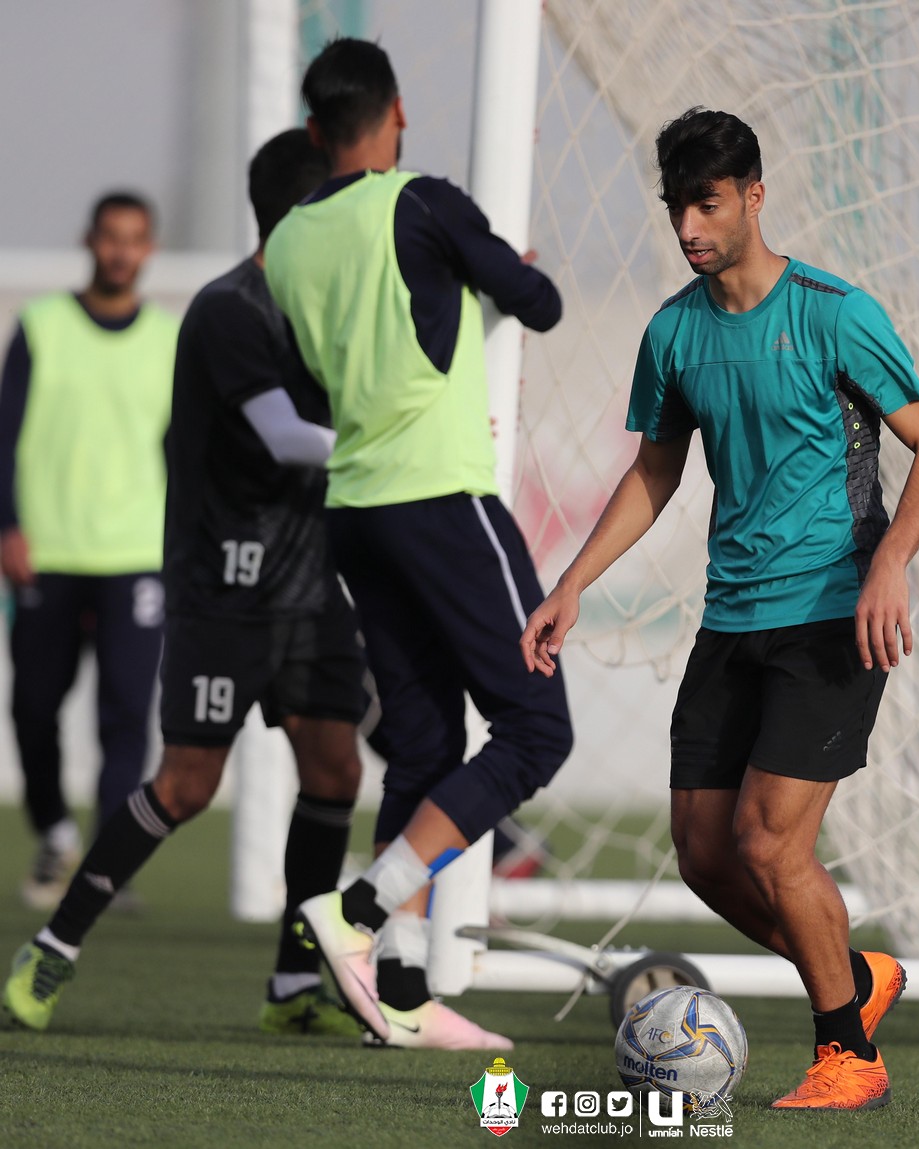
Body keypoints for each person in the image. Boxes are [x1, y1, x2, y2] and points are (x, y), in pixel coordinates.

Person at [520, 108, 919, 1111]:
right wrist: (571, 583)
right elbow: (655, 471)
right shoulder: (673, 333)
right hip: (732, 619)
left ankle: (847, 1052)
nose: (689, 226)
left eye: (708, 203)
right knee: (705, 855)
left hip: (833, 613)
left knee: (770, 842)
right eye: (677, 205)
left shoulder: (835, 313)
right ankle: (854, 975)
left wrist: (892, 562)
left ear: (755, 196)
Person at [3, 130, 367, 1039]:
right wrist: (394, 445)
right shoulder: (230, 309)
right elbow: (285, 437)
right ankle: (53, 945)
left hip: (309, 583)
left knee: (335, 766)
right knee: (185, 784)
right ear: (303, 214)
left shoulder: (330, 304)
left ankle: (294, 982)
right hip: (225, 589)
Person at [264, 37, 573, 1051]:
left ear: (314, 130)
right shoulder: (421, 204)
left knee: (426, 743)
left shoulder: (287, 243)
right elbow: (540, 304)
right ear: (397, 112)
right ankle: (358, 910)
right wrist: (505, 278)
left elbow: (310, 385)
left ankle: (396, 989)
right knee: (536, 729)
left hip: (354, 511)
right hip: (438, 496)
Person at [0, 193, 178, 910]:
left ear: (149, 249)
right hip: (47, 551)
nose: (121, 251)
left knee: (128, 713)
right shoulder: (42, 326)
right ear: (90, 241)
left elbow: (184, 449)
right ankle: (53, 830)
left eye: (134, 239)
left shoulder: (168, 339)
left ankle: (108, 861)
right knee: (32, 707)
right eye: (110, 237)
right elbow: (5, 435)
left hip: (136, 555)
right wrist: (8, 526)